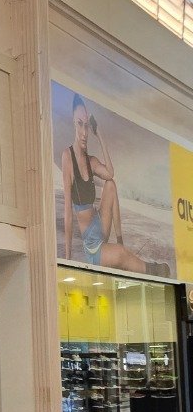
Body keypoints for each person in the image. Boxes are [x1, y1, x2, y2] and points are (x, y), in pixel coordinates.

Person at [61, 93, 169, 276]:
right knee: (121, 255)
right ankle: (151, 269)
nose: (84, 132)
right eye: (80, 124)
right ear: (73, 123)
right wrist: (67, 258)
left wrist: (100, 136)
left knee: (110, 184)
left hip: (100, 224)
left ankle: (120, 242)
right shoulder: (67, 157)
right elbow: (68, 212)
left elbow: (110, 173)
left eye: (86, 125)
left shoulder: (91, 161)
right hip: (92, 244)